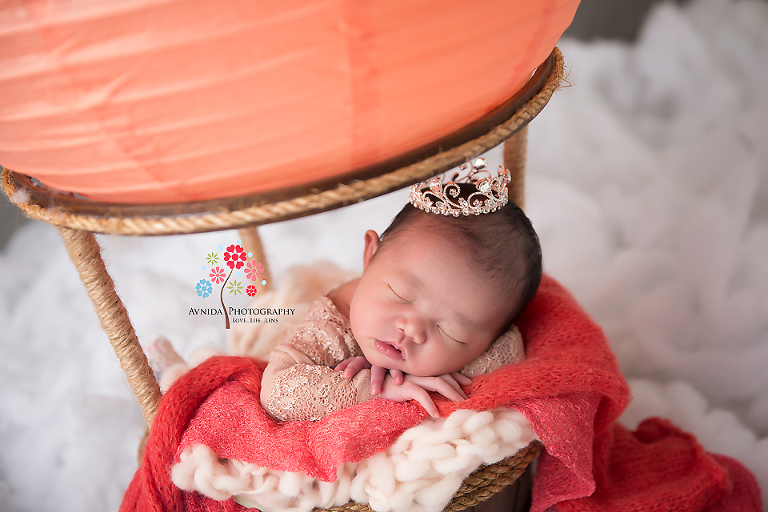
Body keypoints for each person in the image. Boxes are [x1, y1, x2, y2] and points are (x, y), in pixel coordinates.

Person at [260, 160, 542, 421]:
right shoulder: (331, 325)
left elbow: (509, 350)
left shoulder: (492, 331)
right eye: (402, 294)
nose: (412, 329)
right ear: (369, 255)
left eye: (451, 332)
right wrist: (374, 388)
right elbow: (277, 391)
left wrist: (426, 376)